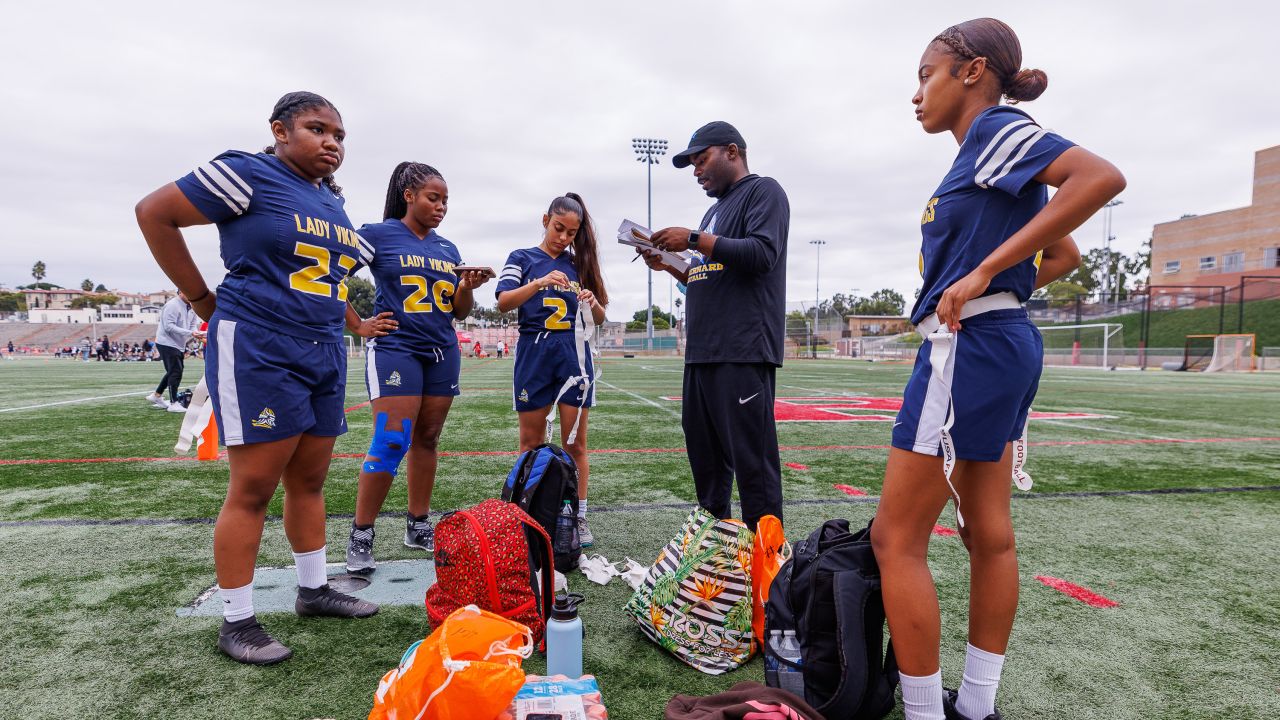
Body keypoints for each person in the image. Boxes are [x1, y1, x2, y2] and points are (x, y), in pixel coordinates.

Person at [868, 19, 1125, 720]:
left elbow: (1099, 177)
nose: (917, 92)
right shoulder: (981, 155)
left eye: (927, 74)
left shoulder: (994, 131)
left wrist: (983, 273)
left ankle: (924, 713)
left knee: (897, 538)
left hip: (972, 346)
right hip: (997, 340)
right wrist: (1002, 275)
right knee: (988, 531)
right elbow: (1063, 252)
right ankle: (975, 708)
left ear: (972, 71)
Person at [135, 90, 378, 666]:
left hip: (322, 346)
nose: (332, 143)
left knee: (311, 479)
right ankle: (237, 620)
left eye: (339, 135)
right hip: (260, 344)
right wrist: (199, 297)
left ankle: (313, 589)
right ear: (280, 130)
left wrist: (356, 324)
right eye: (318, 129)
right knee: (252, 489)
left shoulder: (331, 202)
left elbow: (332, 279)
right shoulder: (249, 172)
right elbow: (154, 212)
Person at [343, 162, 491, 573]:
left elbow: (458, 312)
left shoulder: (448, 250)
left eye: (446, 200)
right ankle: (361, 533)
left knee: (427, 438)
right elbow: (328, 275)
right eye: (433, 197)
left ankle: (417, 523)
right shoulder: (377, 233)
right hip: (396, 347)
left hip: (441, 349)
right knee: (392, 439)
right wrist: (357, 324)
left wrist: (467, 287)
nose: (441, 207)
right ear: (409, 195)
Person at [645, 121, 790, 532]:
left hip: (741, 352)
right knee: (708, 471)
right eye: (692, 163)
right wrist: (671, 265)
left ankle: (768, 576)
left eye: (701, 159)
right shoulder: (714, 209)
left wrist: (692, 238)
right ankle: (718, 564)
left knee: (754, 469)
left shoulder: (765, 191)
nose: (696, 170)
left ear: (732, 151)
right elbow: (705, 276)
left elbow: (762, 253)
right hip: (703, 355)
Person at [495, 193, 608, 545]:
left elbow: (602, 318)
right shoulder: (522, 258)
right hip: (535, 351)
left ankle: (578, 517)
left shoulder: (581, 263)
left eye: (571, 233)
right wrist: (539, 283)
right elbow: (502, 302)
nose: (563, 237)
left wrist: (592, 303)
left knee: (575, 444)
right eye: (558, 228)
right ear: (545, 220)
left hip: (574, 355)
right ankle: (529, 513)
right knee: (531, 442)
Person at [146, 292, 203, 411]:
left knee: (174, 370)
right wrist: (190, 333)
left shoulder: (192, 306)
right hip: (166, 342)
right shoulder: (172, 305)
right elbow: (168, 327)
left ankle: (156, 395)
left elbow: (192, 325)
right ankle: (173, 403)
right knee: (175, 371)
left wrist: (196, 332)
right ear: (180, 292)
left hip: (178, 343)